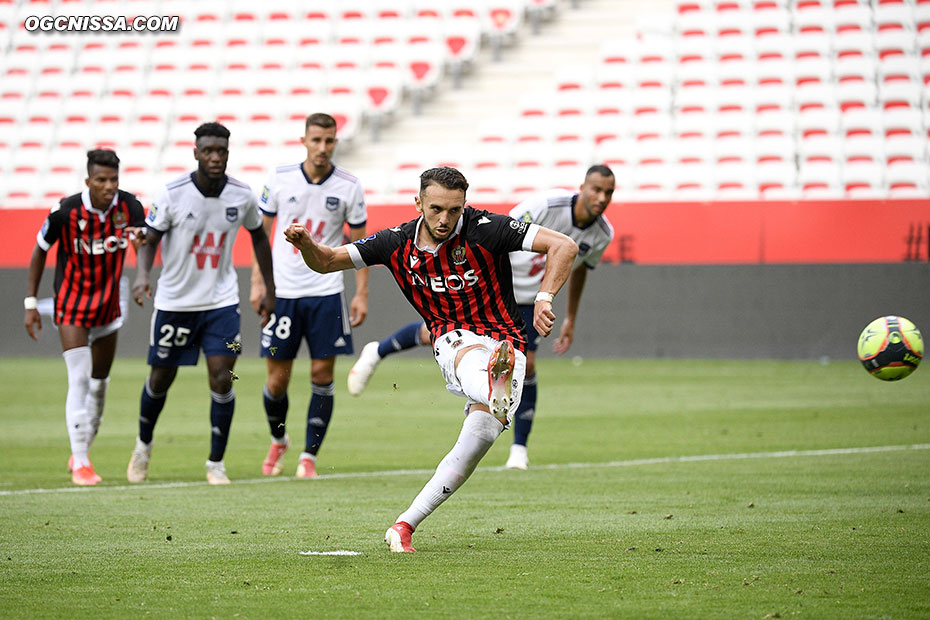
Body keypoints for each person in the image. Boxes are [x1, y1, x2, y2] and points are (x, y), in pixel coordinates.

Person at [282, 167, 578, 552]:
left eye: (454, 210)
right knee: (472, 360)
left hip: (507, 339)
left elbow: (565, 246)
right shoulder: (393, 242)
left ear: (464, 206)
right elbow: (326, 260)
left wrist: (544, 297)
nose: (445, 219)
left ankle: (404, 525)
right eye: (436, 208)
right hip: (452, 339)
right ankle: (493, 383)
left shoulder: (487, 228)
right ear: (418, 202)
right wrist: (305, 243)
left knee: (482, 436)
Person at [347, 165, 616, 470]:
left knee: (525, 366)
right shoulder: (545, 206)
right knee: (434, 333)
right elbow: (501, 235)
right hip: (492, 286)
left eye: (608, 192)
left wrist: (570, 317)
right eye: (596, 189)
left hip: (530, 300)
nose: (601, 197)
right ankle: (377, 351)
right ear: (582, 187)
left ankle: (519, 449)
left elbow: (579, 270)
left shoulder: (603, 234)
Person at [127, 122, 276, 485]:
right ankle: (143, 446)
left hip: (222, 303)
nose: (214, 157)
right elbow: (149, 239)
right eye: (207, 151)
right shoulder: (172, 193)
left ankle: (216, 463)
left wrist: (269, 288)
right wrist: (143, 275)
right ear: (195, 153)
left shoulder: (241, 195)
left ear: (228, 153)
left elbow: (259, 237)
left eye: (221, 151)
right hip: (175, 303)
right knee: (161, 378)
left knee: (223, 376)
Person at [248, 113, 369, 479]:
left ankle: (308, 457)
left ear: (335, 142)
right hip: (283, 291)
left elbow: (362, 245)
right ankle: (278, 438)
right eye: (316, 140)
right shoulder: (280, 178)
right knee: (277, 380)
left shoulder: (349, 185)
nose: (322, 147)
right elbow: (261, 236)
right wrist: (259, 284)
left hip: (326, 291)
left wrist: (361, 293)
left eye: (329, 141)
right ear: (304, 140)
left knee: (321, 372)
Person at [24, 149, 146, 486]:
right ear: (88, 181)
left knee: (100, 382)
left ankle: (82, 447)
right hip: (72, 304)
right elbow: (39, 250)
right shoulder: (66, 211)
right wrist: (31, 302)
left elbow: (142, 242)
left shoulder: (130, 207)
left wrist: (142, 274)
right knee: (78, 378)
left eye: (114, 180)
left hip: (108, 304)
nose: (109, 186)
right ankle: (81, 461)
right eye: (102, 180)